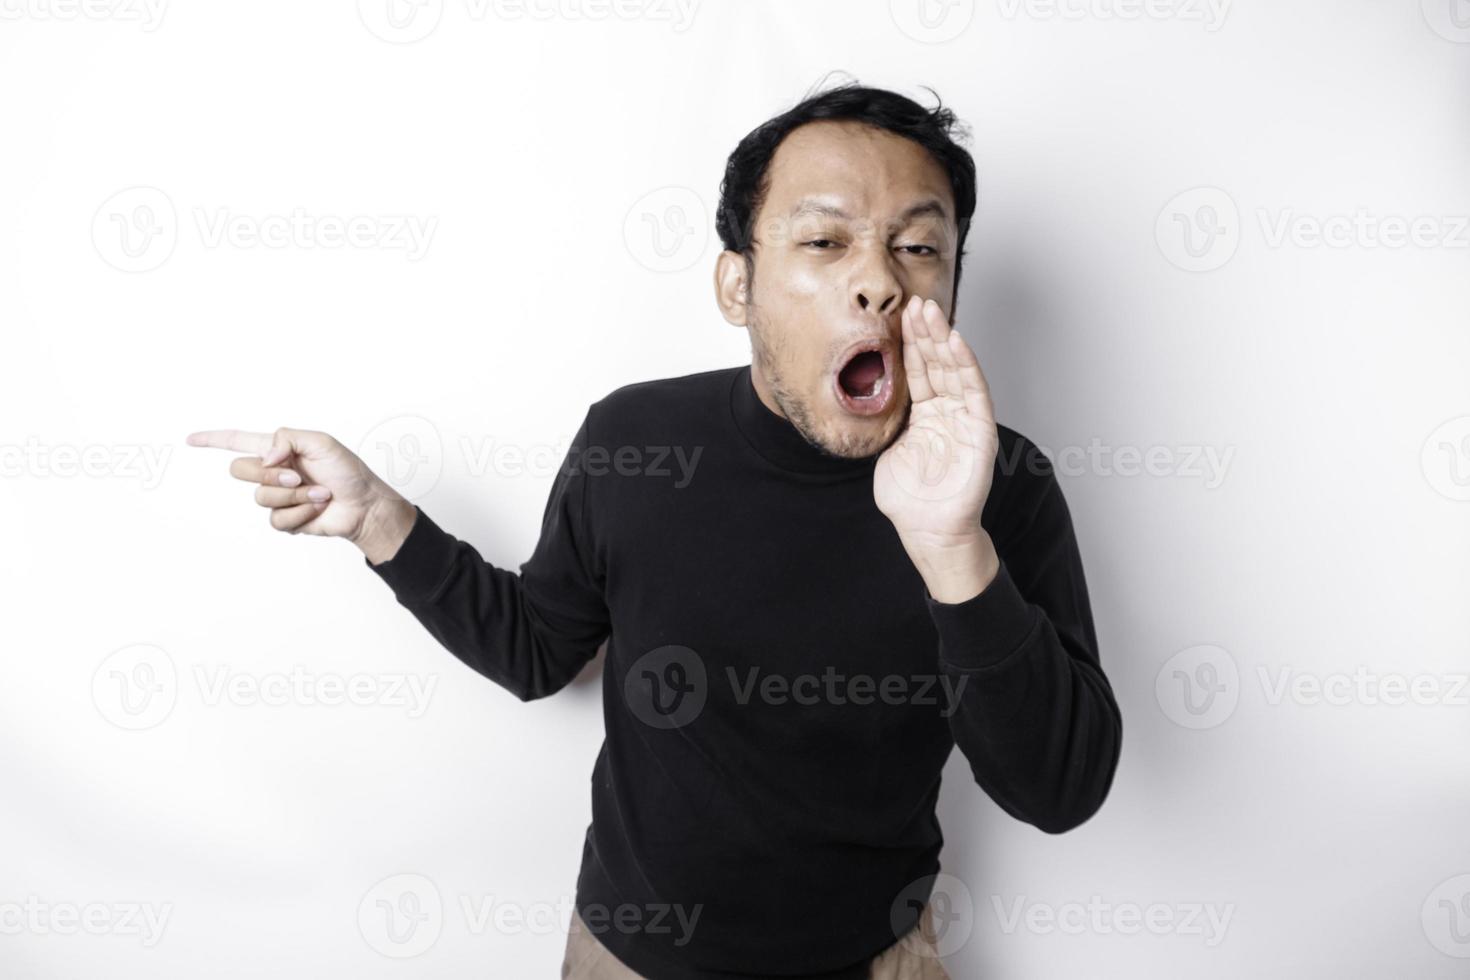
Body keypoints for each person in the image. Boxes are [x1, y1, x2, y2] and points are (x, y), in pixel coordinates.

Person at [188, 80, 1123, 980]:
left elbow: (1060, 791)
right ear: (737, 284)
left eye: (919, 248)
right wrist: (382, 522)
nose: (877, 281)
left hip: (879, 959)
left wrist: (956, 548)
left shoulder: (1002, 484)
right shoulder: (635, 443)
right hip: (629, 957)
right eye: (825, 240)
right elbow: (538, 653)